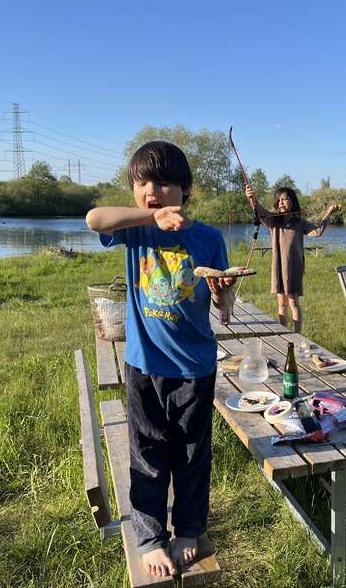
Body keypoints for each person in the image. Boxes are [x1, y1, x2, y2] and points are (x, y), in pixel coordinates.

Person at [85, 141, 233, 579]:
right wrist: (150, 217)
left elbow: (222, 300)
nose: (152, 190)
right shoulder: (136, 231)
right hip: (144, 364)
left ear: (186, 190)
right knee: (147, 454)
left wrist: (223, 296)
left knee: (191, 457)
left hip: (194, 367)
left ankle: (188, 530)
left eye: (165, 183)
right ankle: (150, 537)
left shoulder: (208, 238)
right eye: (143, 183)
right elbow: (94, 219)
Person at [244, 184, 339, 334]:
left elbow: (317, 232)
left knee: (293, 301)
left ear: (292, 202)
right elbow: (259, 209)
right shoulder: (273, 220)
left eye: (285, 199)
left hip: (294, 268)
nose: (281, 202)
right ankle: (284, 334)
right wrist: (251, 197)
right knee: (282, 302)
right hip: (278, 267)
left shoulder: (300, 222)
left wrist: (328, 213)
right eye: (279, 200)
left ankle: (297, 335)